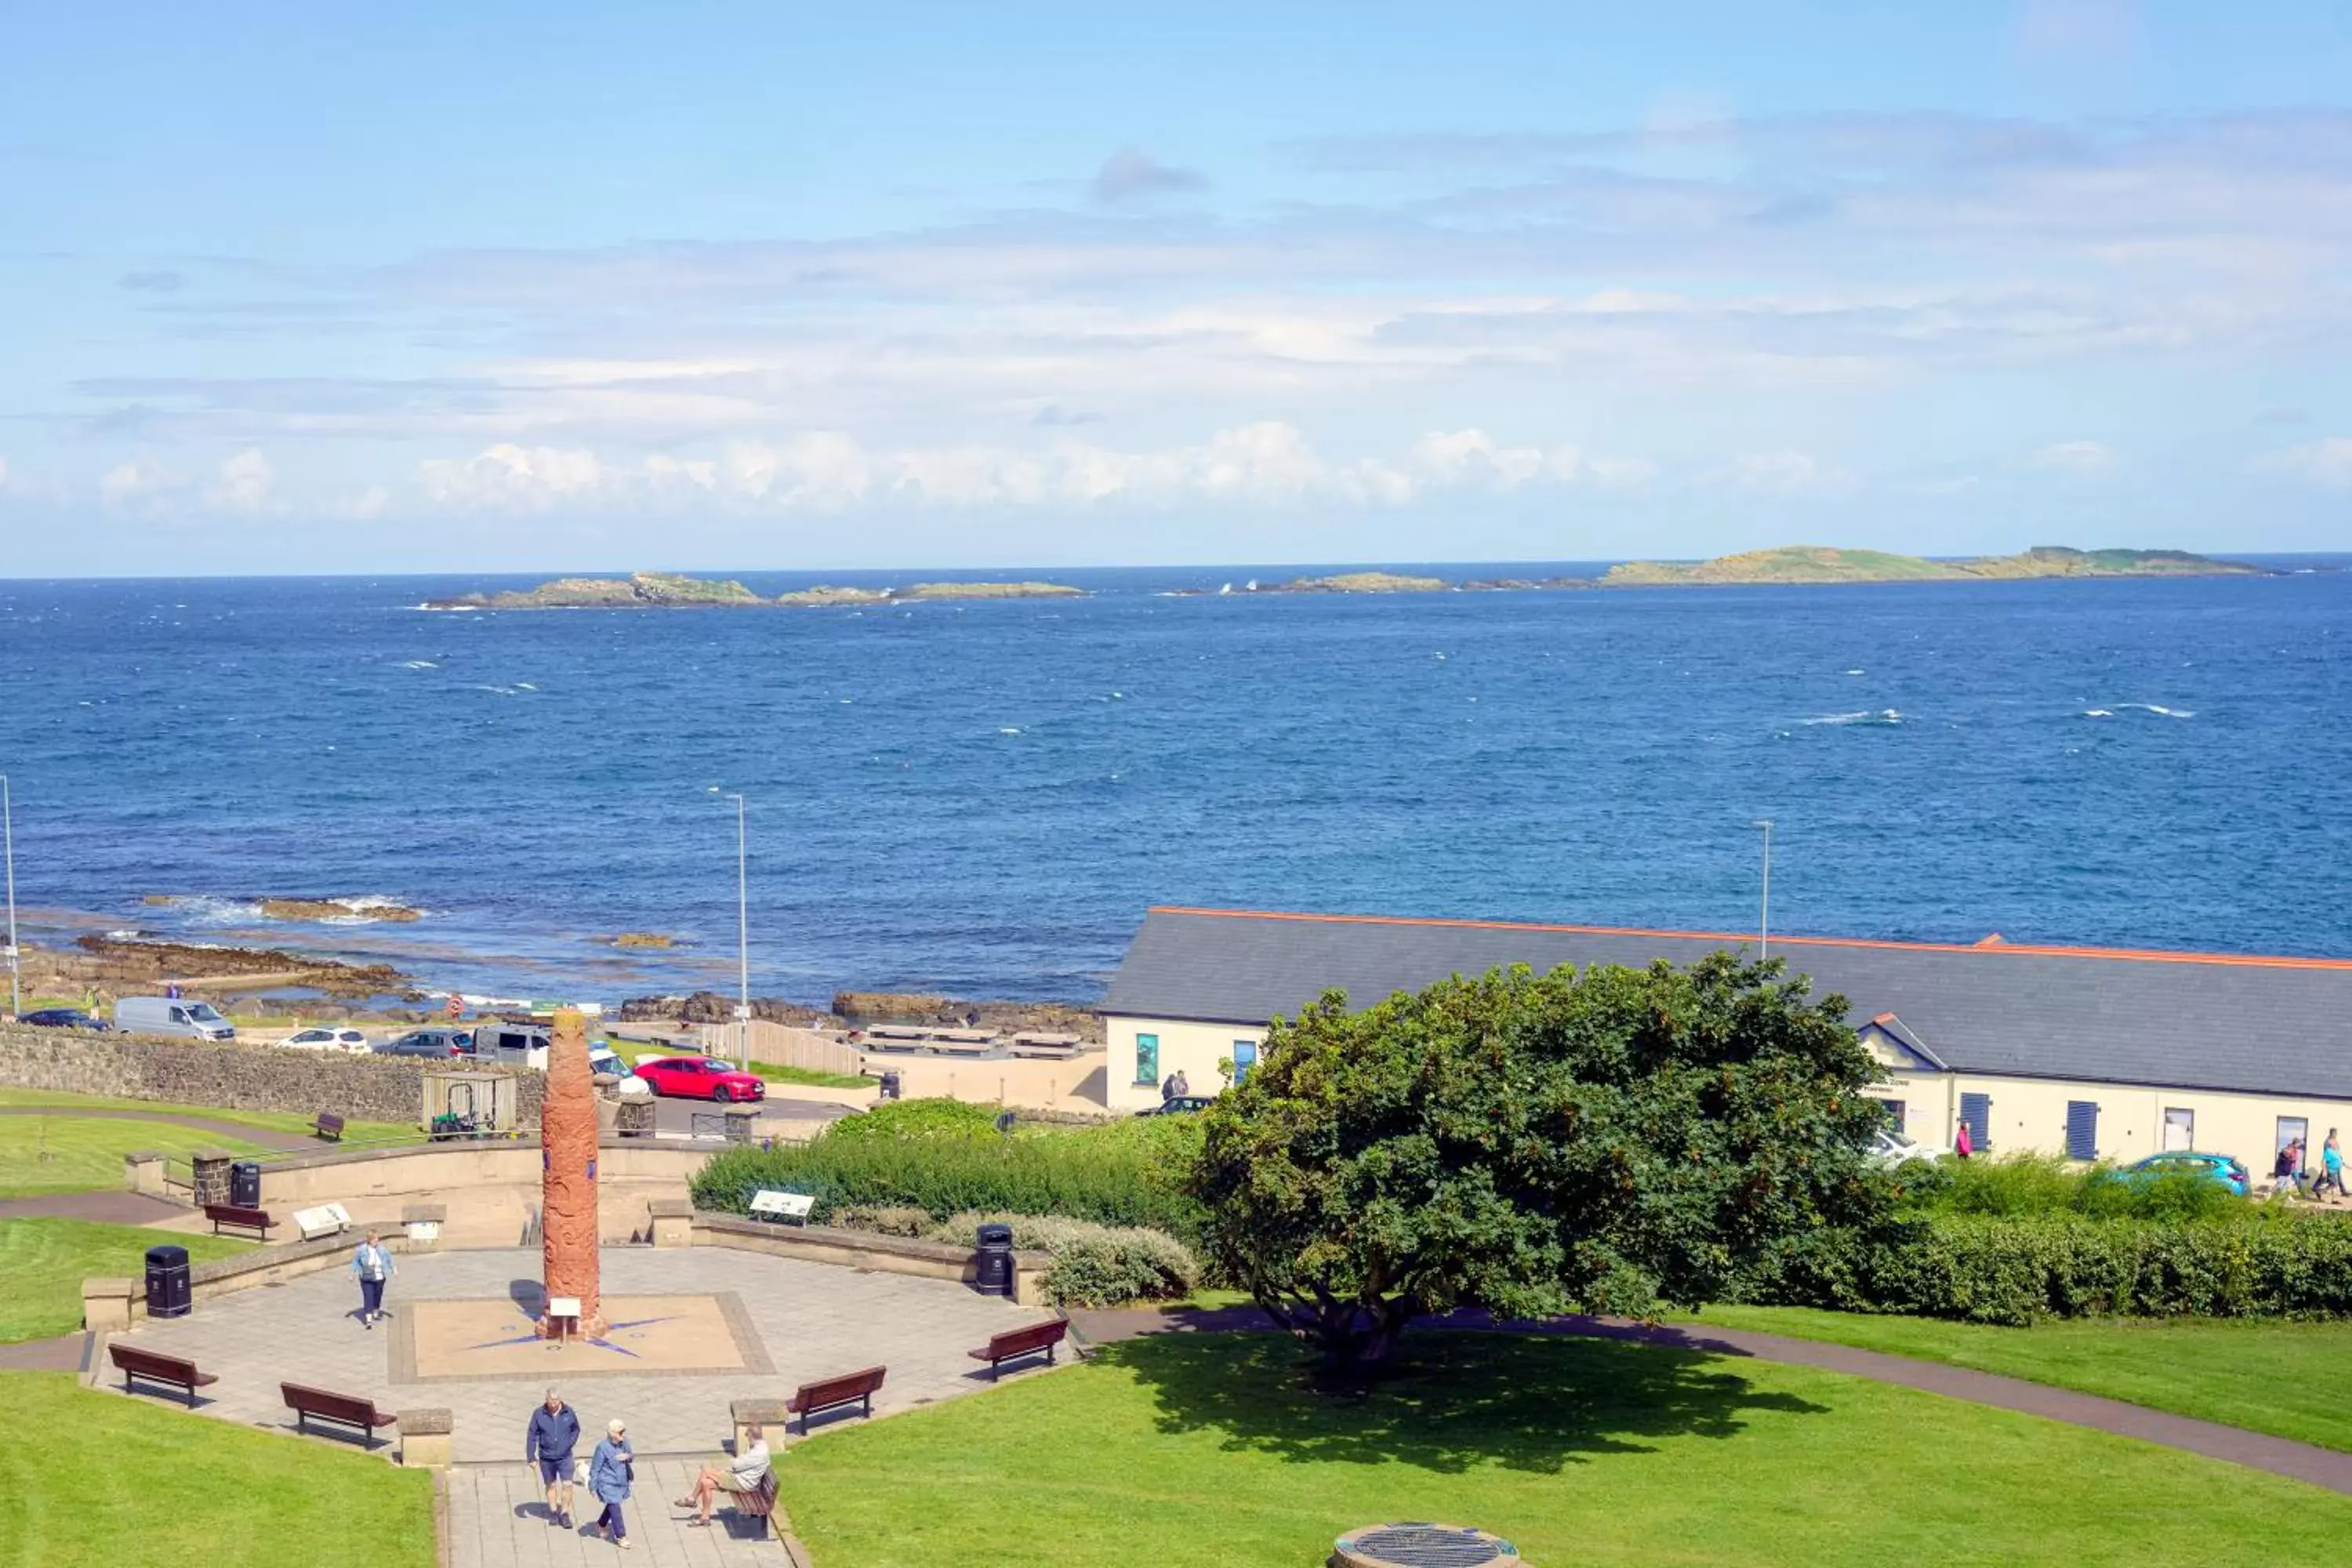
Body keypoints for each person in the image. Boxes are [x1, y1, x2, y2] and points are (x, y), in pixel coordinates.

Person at [676, 1422, 771, 1526]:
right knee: (705, 1483)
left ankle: (692, 1499)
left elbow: (737, 1465)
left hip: (742, 1483)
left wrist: (736, 1461)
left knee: (706, 1471)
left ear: (752, 1435)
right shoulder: (757, 1446)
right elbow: (741, 1461)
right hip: (739, 1478)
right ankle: (705, 1518)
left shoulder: (758, 1453)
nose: (747, 1439)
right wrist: (738, 1461)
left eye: (748, 1436)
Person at [526, 1387, 581, 1529]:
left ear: (560, 1400)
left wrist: (569, 1443)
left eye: (555, 1401)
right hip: (547, 1457)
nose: (553, 1404)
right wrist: (531, 1457)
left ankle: (564, 1513)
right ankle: (553, 1512)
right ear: (546, 1400)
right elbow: (532, 1435)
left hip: (565, 1457)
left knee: (568, 1485)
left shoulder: (569, 1412)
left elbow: (576, 1429)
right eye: (550, 1401)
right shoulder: (539, 1414)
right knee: (551, 1485)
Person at [589, 1418, 633, 1548]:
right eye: (620, 1432)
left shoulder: (625, 1443)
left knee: (613, 1504)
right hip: (607, 1483)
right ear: (612, 1433)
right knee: (615, 1507)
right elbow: (595, 1468)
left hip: (621, 1481)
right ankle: (621, 1536)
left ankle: (601, 1523)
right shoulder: (602, 1447)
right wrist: (593, 1486)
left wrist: (628, 1457)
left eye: (623, 1432)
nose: (623, 1435)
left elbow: (631, 1455)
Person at [350, 1229, 394, 1328]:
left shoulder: (382, 1249)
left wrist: (393, 1269)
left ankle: (376, 1308)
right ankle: (369, 1320)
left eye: (377, 1239)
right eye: (375, 1240)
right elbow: (355, 1262)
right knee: (368, 1296)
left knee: (377, 1294)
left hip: (379, 1277)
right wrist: (352, 1274)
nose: (377, 1242)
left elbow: (389, 1258)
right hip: (366, 1277)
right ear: (370, 1240)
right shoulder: (361, 1250)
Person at [2320, 1130, 2347, 1201]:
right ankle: (2322, 1192)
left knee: (2335, 1182)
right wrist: (2325, 1169)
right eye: (2335, 1133)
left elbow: (2338, 1152)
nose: (2336, 1135)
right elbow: (2325, 1157)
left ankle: (2339, 1193)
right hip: (2331, 1165)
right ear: (2332, 1133)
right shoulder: (2328, 1142)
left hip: (2336, 1163)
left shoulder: (2335, 1141)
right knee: (2334, 1183)